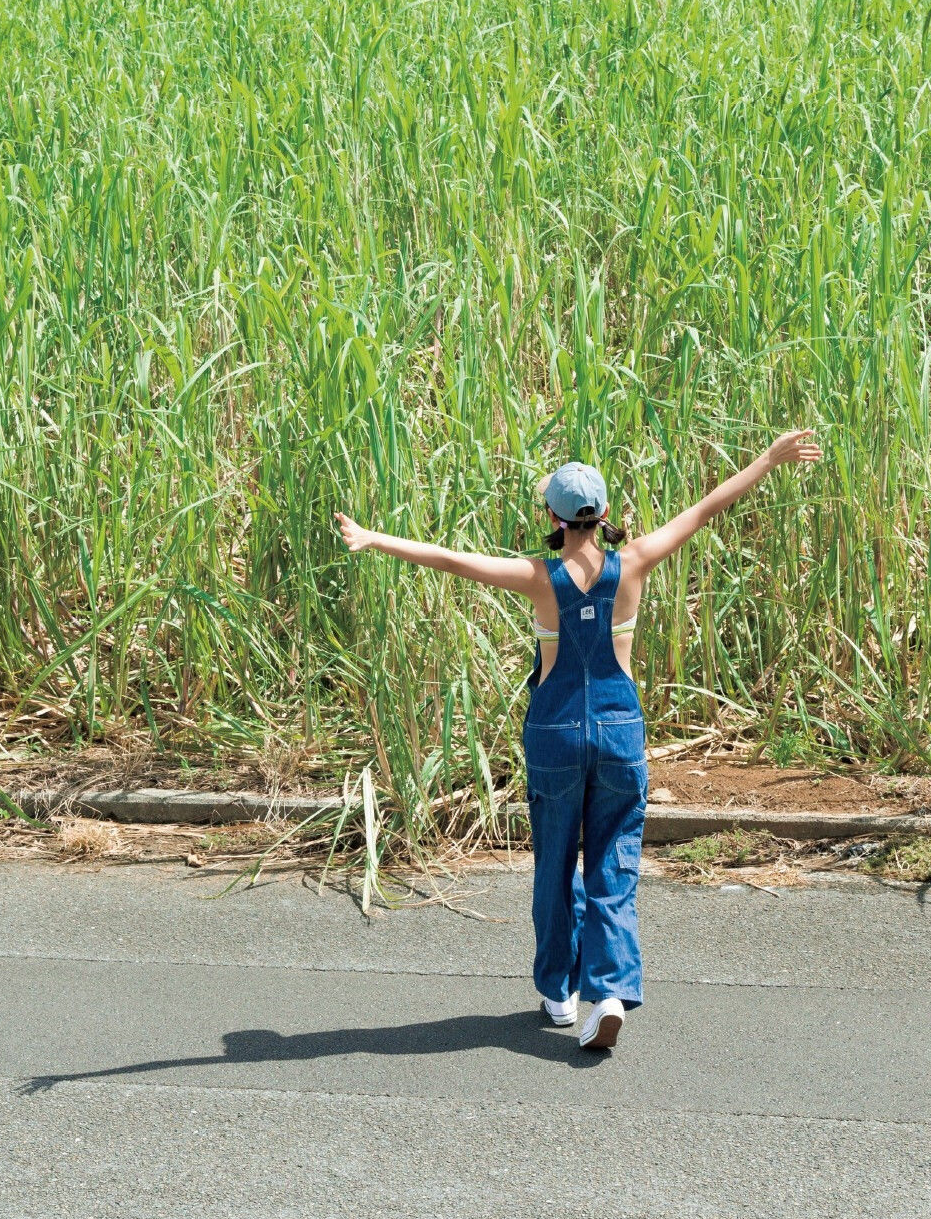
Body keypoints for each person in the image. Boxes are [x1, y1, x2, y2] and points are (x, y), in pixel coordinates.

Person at [335, 428, 822, 1051]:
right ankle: (609, 991)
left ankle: (560, 992)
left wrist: (376, 538)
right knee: (613, 866)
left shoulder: (538, 576)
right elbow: (705, 509)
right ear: (605, 517)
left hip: (555, 734)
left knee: (556, 862)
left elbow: (450, 558)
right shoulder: (638, 559)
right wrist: (767, 458)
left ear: (553, 518)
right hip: (620, 732)